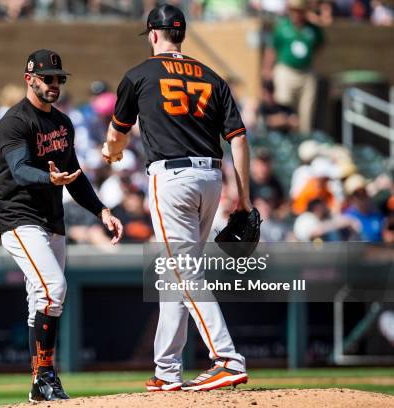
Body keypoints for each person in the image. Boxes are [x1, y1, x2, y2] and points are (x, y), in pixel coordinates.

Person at [102, 4, 249, 391]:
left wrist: (112, 152)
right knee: (175, 273)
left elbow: (117, 135)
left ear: (153, 34)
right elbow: (239, 138)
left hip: (173, 179)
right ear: (180, 34)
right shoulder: (212, 76)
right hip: (212, 179)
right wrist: (245, 198)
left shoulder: (139, 74)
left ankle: (227, 359)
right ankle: (168, 370)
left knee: (183, 271)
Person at [0, 49, 123, 402]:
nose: (54, 84)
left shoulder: (63, 123)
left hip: (53, 219)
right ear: (29, 78)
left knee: (44, 299)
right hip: (19, 219)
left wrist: (100, 211)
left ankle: (40, 383)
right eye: (47, 78)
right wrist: (48, 178)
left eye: (58, 78)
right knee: (53, 288)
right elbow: (19, 170)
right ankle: (46, 374)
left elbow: (75, 177)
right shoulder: (14, 121)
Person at [262, 0, 324, 134]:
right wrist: (267, 70)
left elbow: (319, 46)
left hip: (306, 71)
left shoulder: (313, 29)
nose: (296, 14)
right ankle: (284, 136)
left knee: (307, 109)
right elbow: (272, 49)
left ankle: (303, 136)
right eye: (294, 10)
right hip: (286, 69)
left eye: (300, 10)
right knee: (284, 105)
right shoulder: (282, 27)